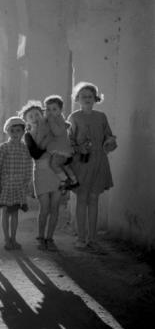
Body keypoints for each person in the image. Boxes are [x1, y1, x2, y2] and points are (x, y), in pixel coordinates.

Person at [68, 82, 117, 251]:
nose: (87, 99)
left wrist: (110, 142)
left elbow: (109, 137)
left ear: (95, 98)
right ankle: (81, 238)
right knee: (82, 199)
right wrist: (78, 148)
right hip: (81, 161)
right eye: (83, 96)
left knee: (94, 198)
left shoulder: (101, 116)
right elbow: (69, 141)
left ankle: (93, 238)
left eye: (90, 96)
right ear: (78, 99)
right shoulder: (74, 117)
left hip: (98, 161)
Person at [21, 100, 61, 251]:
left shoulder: (52, 129)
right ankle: (40, 237)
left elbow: (62, 143)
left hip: (56, 173)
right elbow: (35, 154)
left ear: (42, 114)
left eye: (37, 114)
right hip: (40, 173)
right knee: (44, 208)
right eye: (31, 116)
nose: (35, 117)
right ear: (26, 120)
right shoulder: (28, 136)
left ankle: (50, 238)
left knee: (55, 207)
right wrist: (50, 145)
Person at [0, 116, 33, 250]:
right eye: (12, 131)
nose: (15, 133)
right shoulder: (4, 147)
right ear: (7, 131)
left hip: (19, 185)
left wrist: (27, 182)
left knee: (15, 213)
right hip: (6, 184)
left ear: (23, 132)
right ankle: (6, 239)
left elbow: (29, 166)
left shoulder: (25, 148)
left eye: (18, 130)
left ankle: (14, 238)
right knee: (6, 211)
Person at [42, 95, 79, 191]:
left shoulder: (57, 119)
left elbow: (57, 132)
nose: (50, 112)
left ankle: (65, 180)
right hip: (63, 149)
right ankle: (74, 181)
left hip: (61, 150)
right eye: (48, 109)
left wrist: (50, 121)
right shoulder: (56, 119)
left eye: (54, 109)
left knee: (54, 164)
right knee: (65, 166)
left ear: (60, 110)